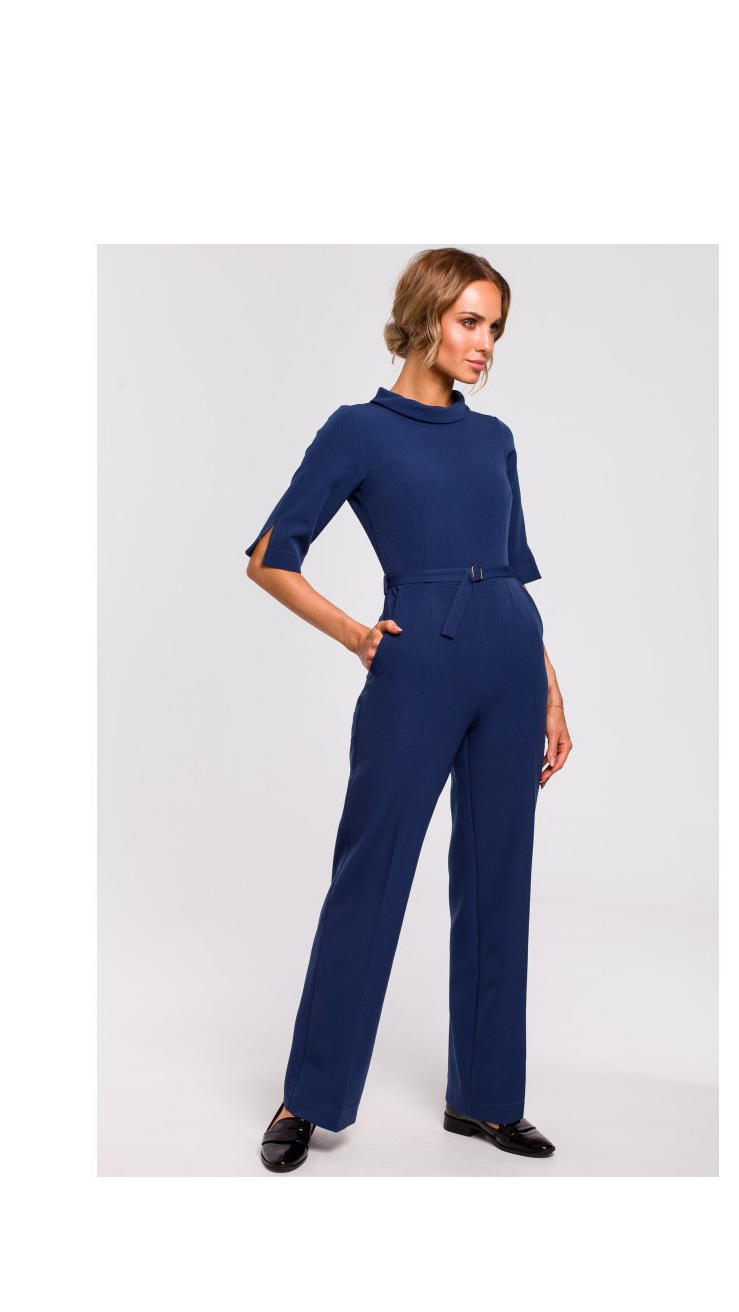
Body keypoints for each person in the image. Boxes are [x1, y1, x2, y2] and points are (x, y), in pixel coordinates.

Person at [245, 248, 573, 1173]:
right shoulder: (359, 430)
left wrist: (551, 689)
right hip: (418, 662)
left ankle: (486, 1100)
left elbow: (512, 571)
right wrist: (356, 634)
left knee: (500, 877)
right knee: (372, 872)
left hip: (511, 659)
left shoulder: (494, 437)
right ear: (426, 317)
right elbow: (271, 556)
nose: (485, 344)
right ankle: (309, 1098)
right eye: (470, 322)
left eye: (495, 327)